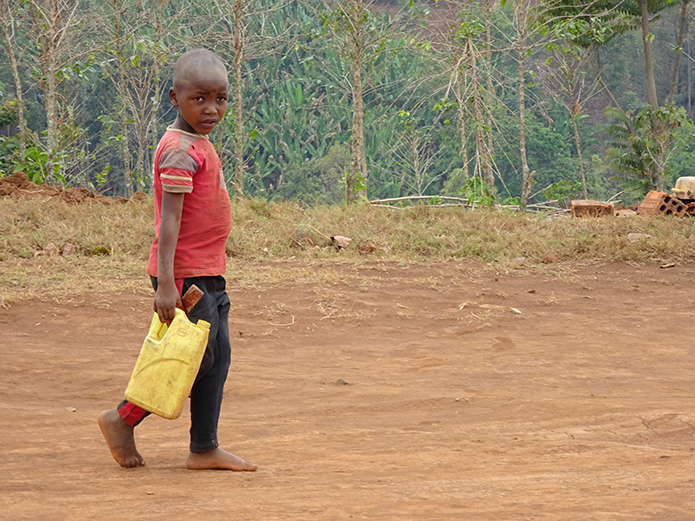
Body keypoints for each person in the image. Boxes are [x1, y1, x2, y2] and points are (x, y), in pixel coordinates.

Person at [98, 48, 256, 472]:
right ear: (174, 98)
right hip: (185, 275)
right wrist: (166, 282)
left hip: (207, 271)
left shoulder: (196, 143)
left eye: (220, 98)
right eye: (199, 99)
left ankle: (204, 447)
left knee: (216, 356)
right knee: (195, 356)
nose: (211, 109)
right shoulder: (178, 151)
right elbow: (168, 222)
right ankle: (123, 417)